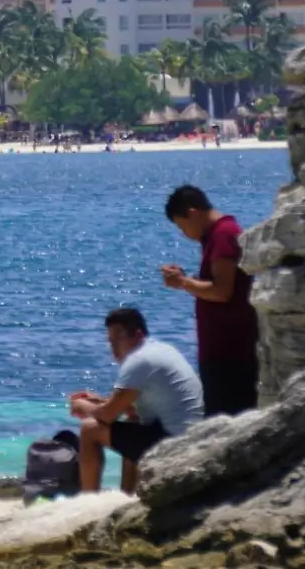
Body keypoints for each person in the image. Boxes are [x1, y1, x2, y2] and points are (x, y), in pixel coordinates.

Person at [68, 307, 203, 494]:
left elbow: (107, 416)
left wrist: (84, 407)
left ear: (137, 335)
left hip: (174, 441)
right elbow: (130, 408)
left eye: (118, 339)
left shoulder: (138, 361)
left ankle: (88, 499)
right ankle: (127, 494)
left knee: (89, 429)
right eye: (110, 341)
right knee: (133, 421)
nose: (113, 348)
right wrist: (99, 401)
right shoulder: (162, 349)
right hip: (191, 433)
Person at [160, 184, 260, 416]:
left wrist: (183, 282)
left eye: (182, 226)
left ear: (193, 213)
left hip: (230, 354)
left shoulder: (223, 234)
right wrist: (188, 280)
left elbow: (222, 290)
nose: (185, 234)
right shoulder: (217, 235)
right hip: (225, 351)